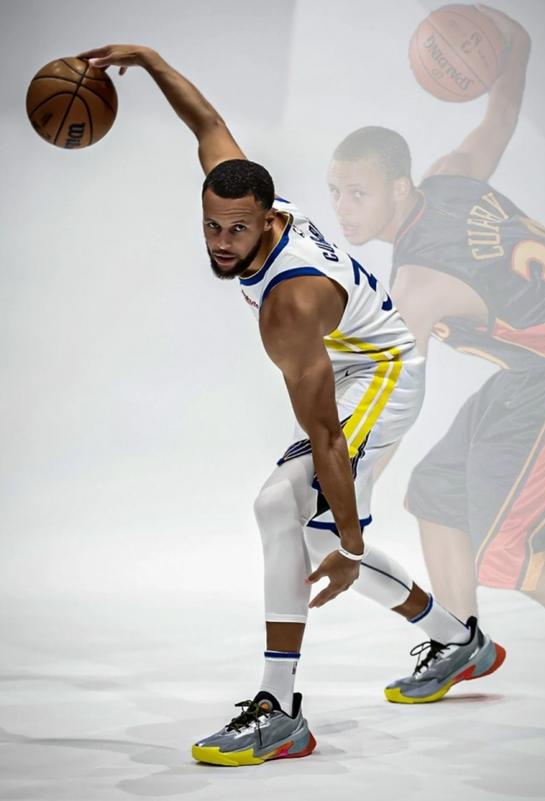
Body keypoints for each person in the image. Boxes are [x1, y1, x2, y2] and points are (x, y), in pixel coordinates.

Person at [76, 43, 506, 766]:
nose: (221, 244)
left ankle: (279, 711)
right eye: (211, 226)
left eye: (237, 230)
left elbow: (329, 437)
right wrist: (149, 63)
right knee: (303, 534)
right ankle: (458, 642)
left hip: (382, 374)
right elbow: (207, 122)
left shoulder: (289, 304)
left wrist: (354, 545)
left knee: (284, 508)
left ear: (268, 217)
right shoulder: (242, 196)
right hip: (348, 362)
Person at [327, 6, 545, 640]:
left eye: (358, 193)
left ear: (399, 189)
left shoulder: (416, 286)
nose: (343, 208)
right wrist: (507, 38)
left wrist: (346, 504)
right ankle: (460, 643)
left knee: (513, 555)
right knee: (439, 488)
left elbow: (395, 410)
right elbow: (503, 111)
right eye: (335, 191)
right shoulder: (451, 177)